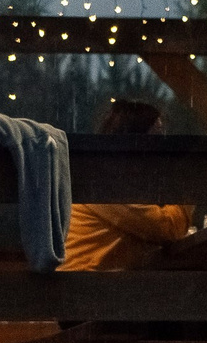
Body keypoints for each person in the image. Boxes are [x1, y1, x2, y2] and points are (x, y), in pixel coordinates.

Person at [61, 98, 192, 272]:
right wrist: (189, 186)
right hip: (86, 286)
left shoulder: (105, 176)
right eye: (157, 137)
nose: (163, 147)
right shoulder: (106, 183)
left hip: (91, 283)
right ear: (135, 142)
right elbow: (169, 228)